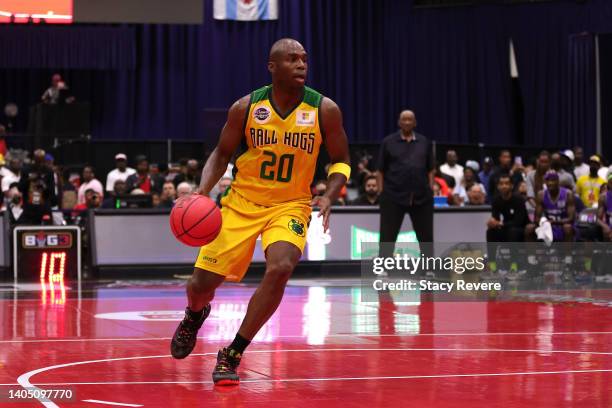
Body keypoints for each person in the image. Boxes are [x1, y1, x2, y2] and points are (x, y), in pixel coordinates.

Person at [169, 38, 350, 386]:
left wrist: (329, 194)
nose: (301, 65)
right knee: (200, 285)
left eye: (304, 60)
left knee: (281, 267)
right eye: (292, 59)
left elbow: (341, 160)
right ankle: (195, 314)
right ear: (272, 66)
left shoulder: (324, 109)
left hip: (290, 205)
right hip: (241, 203)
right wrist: (202, 194)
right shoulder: (246, 107)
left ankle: (233, 352)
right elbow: (221, 154)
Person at [376, 109, 434, 258]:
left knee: (426, 237)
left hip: (421, 197)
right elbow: (380, 170)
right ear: (399, 123)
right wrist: (381, 193)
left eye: (410, 120)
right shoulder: (388, 142)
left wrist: (430, 189)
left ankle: (428, 269)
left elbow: (431, 169)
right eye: (404, 119)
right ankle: (383, 268)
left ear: (415, 123)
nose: (407, 122)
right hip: (392, 197)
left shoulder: (424, 142)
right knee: (387, 236)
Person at [526, 171, 575, 242]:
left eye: (553, 180)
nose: (550, 183)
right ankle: (531, 253)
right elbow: (536, 218)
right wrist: (544, 222)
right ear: (545, 182)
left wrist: (554, 222)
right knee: (529, 228)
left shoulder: (568, 194)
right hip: (548, 225)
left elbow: (571, 219)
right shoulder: (541, 194)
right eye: (548, 180)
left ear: (558, 181)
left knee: (567, 228)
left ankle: (566, 253)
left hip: (562, 225)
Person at [18, 149, 56, 224]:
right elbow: (20, 188)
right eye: (38, 160)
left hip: (44, 207)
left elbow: (52, 191)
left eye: (41, 160)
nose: (39, 163)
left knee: (47, 229)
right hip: (29, 207)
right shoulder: (26, 170)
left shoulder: (49, 171)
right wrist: (29, 180)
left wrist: (44, 186)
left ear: (44, 159)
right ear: (34, 159)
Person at [597, 174, 612, 241]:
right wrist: (605, 226)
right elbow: (598, 219)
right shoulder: (603, 197)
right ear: (608, 184)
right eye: (611, 182)